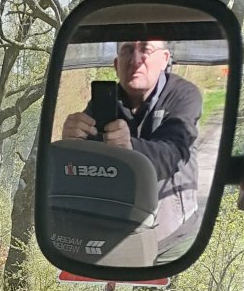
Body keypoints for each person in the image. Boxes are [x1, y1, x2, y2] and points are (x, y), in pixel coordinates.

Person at [61, 37, 203, 252]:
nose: (136, 60)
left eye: (145, 50)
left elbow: (173, 155)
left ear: (164, 59)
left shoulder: (185, 95)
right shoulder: (104, 101)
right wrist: (71, 145)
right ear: (116, 65)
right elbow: (86, 168)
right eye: (127, 51)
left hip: (173, 232)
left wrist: (130, 149)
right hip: (121, 227)